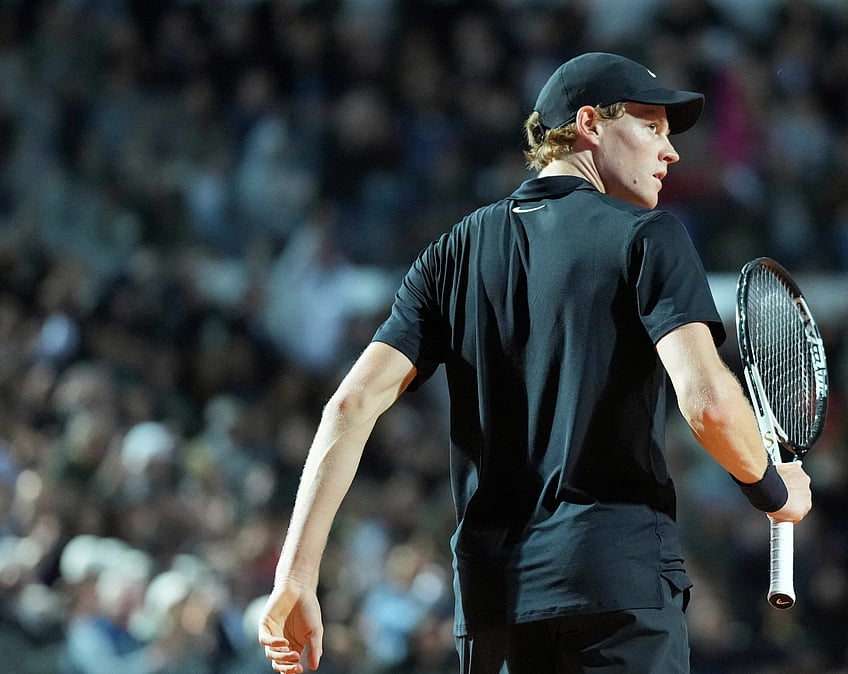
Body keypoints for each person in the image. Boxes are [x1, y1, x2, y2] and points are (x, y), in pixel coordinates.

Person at [257, 52, 813, 674]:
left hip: (493, 605)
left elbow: (349, 406)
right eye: (652, 126)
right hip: (617, 591)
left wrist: (296, 577)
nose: (671, 151)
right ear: (590, 125)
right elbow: (708, 404)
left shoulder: (452, 251)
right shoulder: (650, 236)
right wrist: (772, 489)